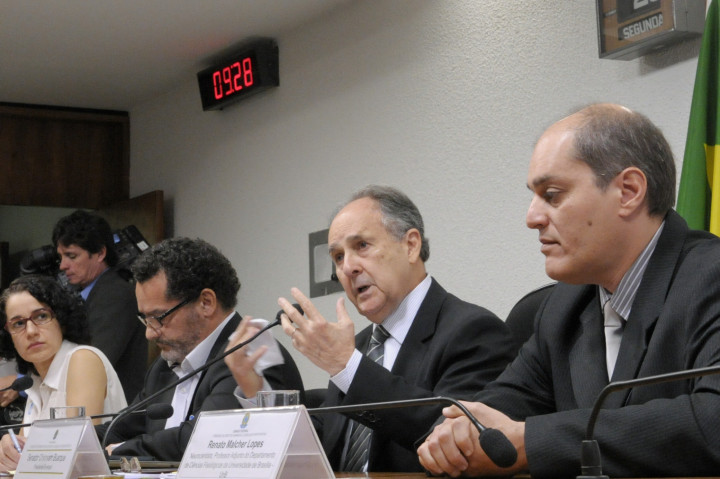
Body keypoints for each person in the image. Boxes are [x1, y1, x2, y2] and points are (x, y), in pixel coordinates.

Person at [418, 103, 720, 478]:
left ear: (628, 191)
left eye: (552, 194)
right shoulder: (562, 305)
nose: (532, 218)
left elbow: (713, 421)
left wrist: (529, 443)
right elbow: (506, 402)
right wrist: (459, 432)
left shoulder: (711, 277)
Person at [276, 185, 516, 472]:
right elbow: (329, 442)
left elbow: (454, 439)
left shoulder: (474, 331)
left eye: (361, 246)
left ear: (411, 245)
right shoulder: (356, 347)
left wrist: (347, 367)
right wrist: (259, 392)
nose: (348, 267)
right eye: (338, 257)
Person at [98, 237, 304, 461]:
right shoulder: (163, 368)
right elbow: (117, 429)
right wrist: (76, 442)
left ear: (206, 303)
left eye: (158, 317)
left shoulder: (249, 353)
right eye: (145, 319)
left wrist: (120, 450)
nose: (150, 333)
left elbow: (207, 438)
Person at [0, 275, 127, 471]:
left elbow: (74, 450)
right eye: (18, 324)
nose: (31, 331)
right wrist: (9, 449)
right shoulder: (35, 381)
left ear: (62, 319)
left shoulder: (82, 359)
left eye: (41, 316)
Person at [53, 210, 147, 402]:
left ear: (100, 253)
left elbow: (93, 363)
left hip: (113, 411)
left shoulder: (116, 294)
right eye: (61, 257)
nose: (63, 265)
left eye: (71, 256)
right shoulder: (91, 292)